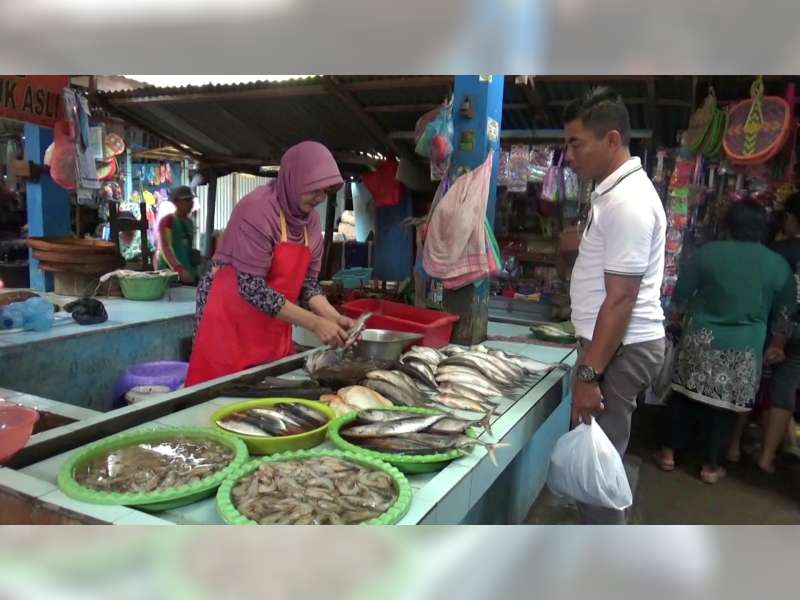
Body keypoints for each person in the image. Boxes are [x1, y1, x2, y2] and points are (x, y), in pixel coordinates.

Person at [565, 87, 667, 524]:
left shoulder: (628, 202)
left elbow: (622, 298)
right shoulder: (613, 192)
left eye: (576, 143)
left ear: (611, 140)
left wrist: (590, 373)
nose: (569, 155)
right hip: (612, 348)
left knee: (600, 468)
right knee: (596, 464)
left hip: (619, 351)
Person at [184, 141, 354, 387]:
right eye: (313, 189)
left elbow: (308, 285)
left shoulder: (312, 223)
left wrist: (334, 318)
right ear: (293, 180)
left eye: (325, 190)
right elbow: (251, 287)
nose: (319, 197)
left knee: (264, 395)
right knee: (218, 395)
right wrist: (316, 323)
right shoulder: (257, 210)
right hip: (227, 320)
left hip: (269, 325)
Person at [655, 201, 795, 483]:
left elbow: (680, 296)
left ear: (729, 225)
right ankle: (710, 466)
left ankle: (669, 453)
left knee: (683, 397)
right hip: (743, 347)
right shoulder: (777, 265)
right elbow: (785, 312)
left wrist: (676, 317)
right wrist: (777, 343)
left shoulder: (707, 253)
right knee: (725, 408)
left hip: (700, 340)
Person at [730, 193, 800, 472]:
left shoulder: (778, 251)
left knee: (750, 382)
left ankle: (733, 446)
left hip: (771, 325)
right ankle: (767, 458)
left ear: (792, 219)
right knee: (786, 391)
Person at [157, 185, 200, 284]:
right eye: (187, 200)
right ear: (176, 202)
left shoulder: (190, 222)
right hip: (170, 276)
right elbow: (166, 247)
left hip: (188, 275)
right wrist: (178, 270)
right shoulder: (168, 221)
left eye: (191, 200)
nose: (191, 203)